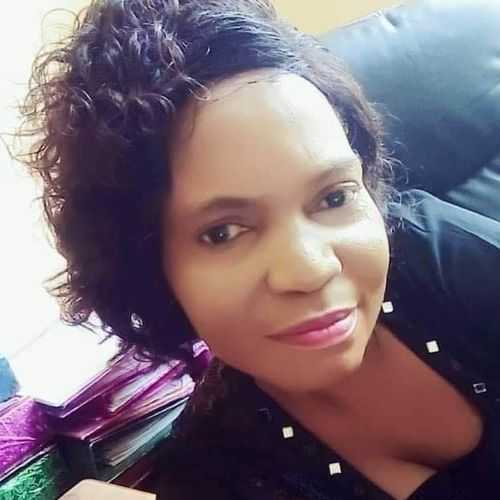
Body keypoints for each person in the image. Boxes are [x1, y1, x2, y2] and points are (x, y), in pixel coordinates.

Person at [17, 0, 500, 498]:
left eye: (333, 197)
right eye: (223, 232)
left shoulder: (440, 255)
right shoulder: (217, 472)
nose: (309, 269)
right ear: (152, 272)